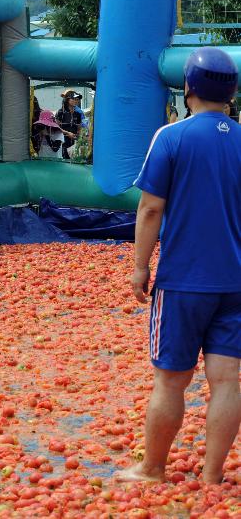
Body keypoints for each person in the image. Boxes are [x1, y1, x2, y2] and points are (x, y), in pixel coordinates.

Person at [117, 47, 241, 485]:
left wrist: (139, 266)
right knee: (228, 381)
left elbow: (151, 209)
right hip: (236, 282)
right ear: (233, 92)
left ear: (188, 88)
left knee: (171, 380)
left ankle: (152, 468)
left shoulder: (171, 137)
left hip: (185, 280)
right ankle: (211, 475)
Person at [56, 90, 82, 159]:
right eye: (73, 98)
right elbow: (56, 128)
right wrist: (68, 133)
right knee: (64, 162)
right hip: (62, 143)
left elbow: (79, 129)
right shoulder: (61, 112)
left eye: (77, 99)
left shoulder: (78, 114)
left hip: (74, 144)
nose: (76, 100)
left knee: (75, 162)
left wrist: (78, 136)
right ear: (67, 100)